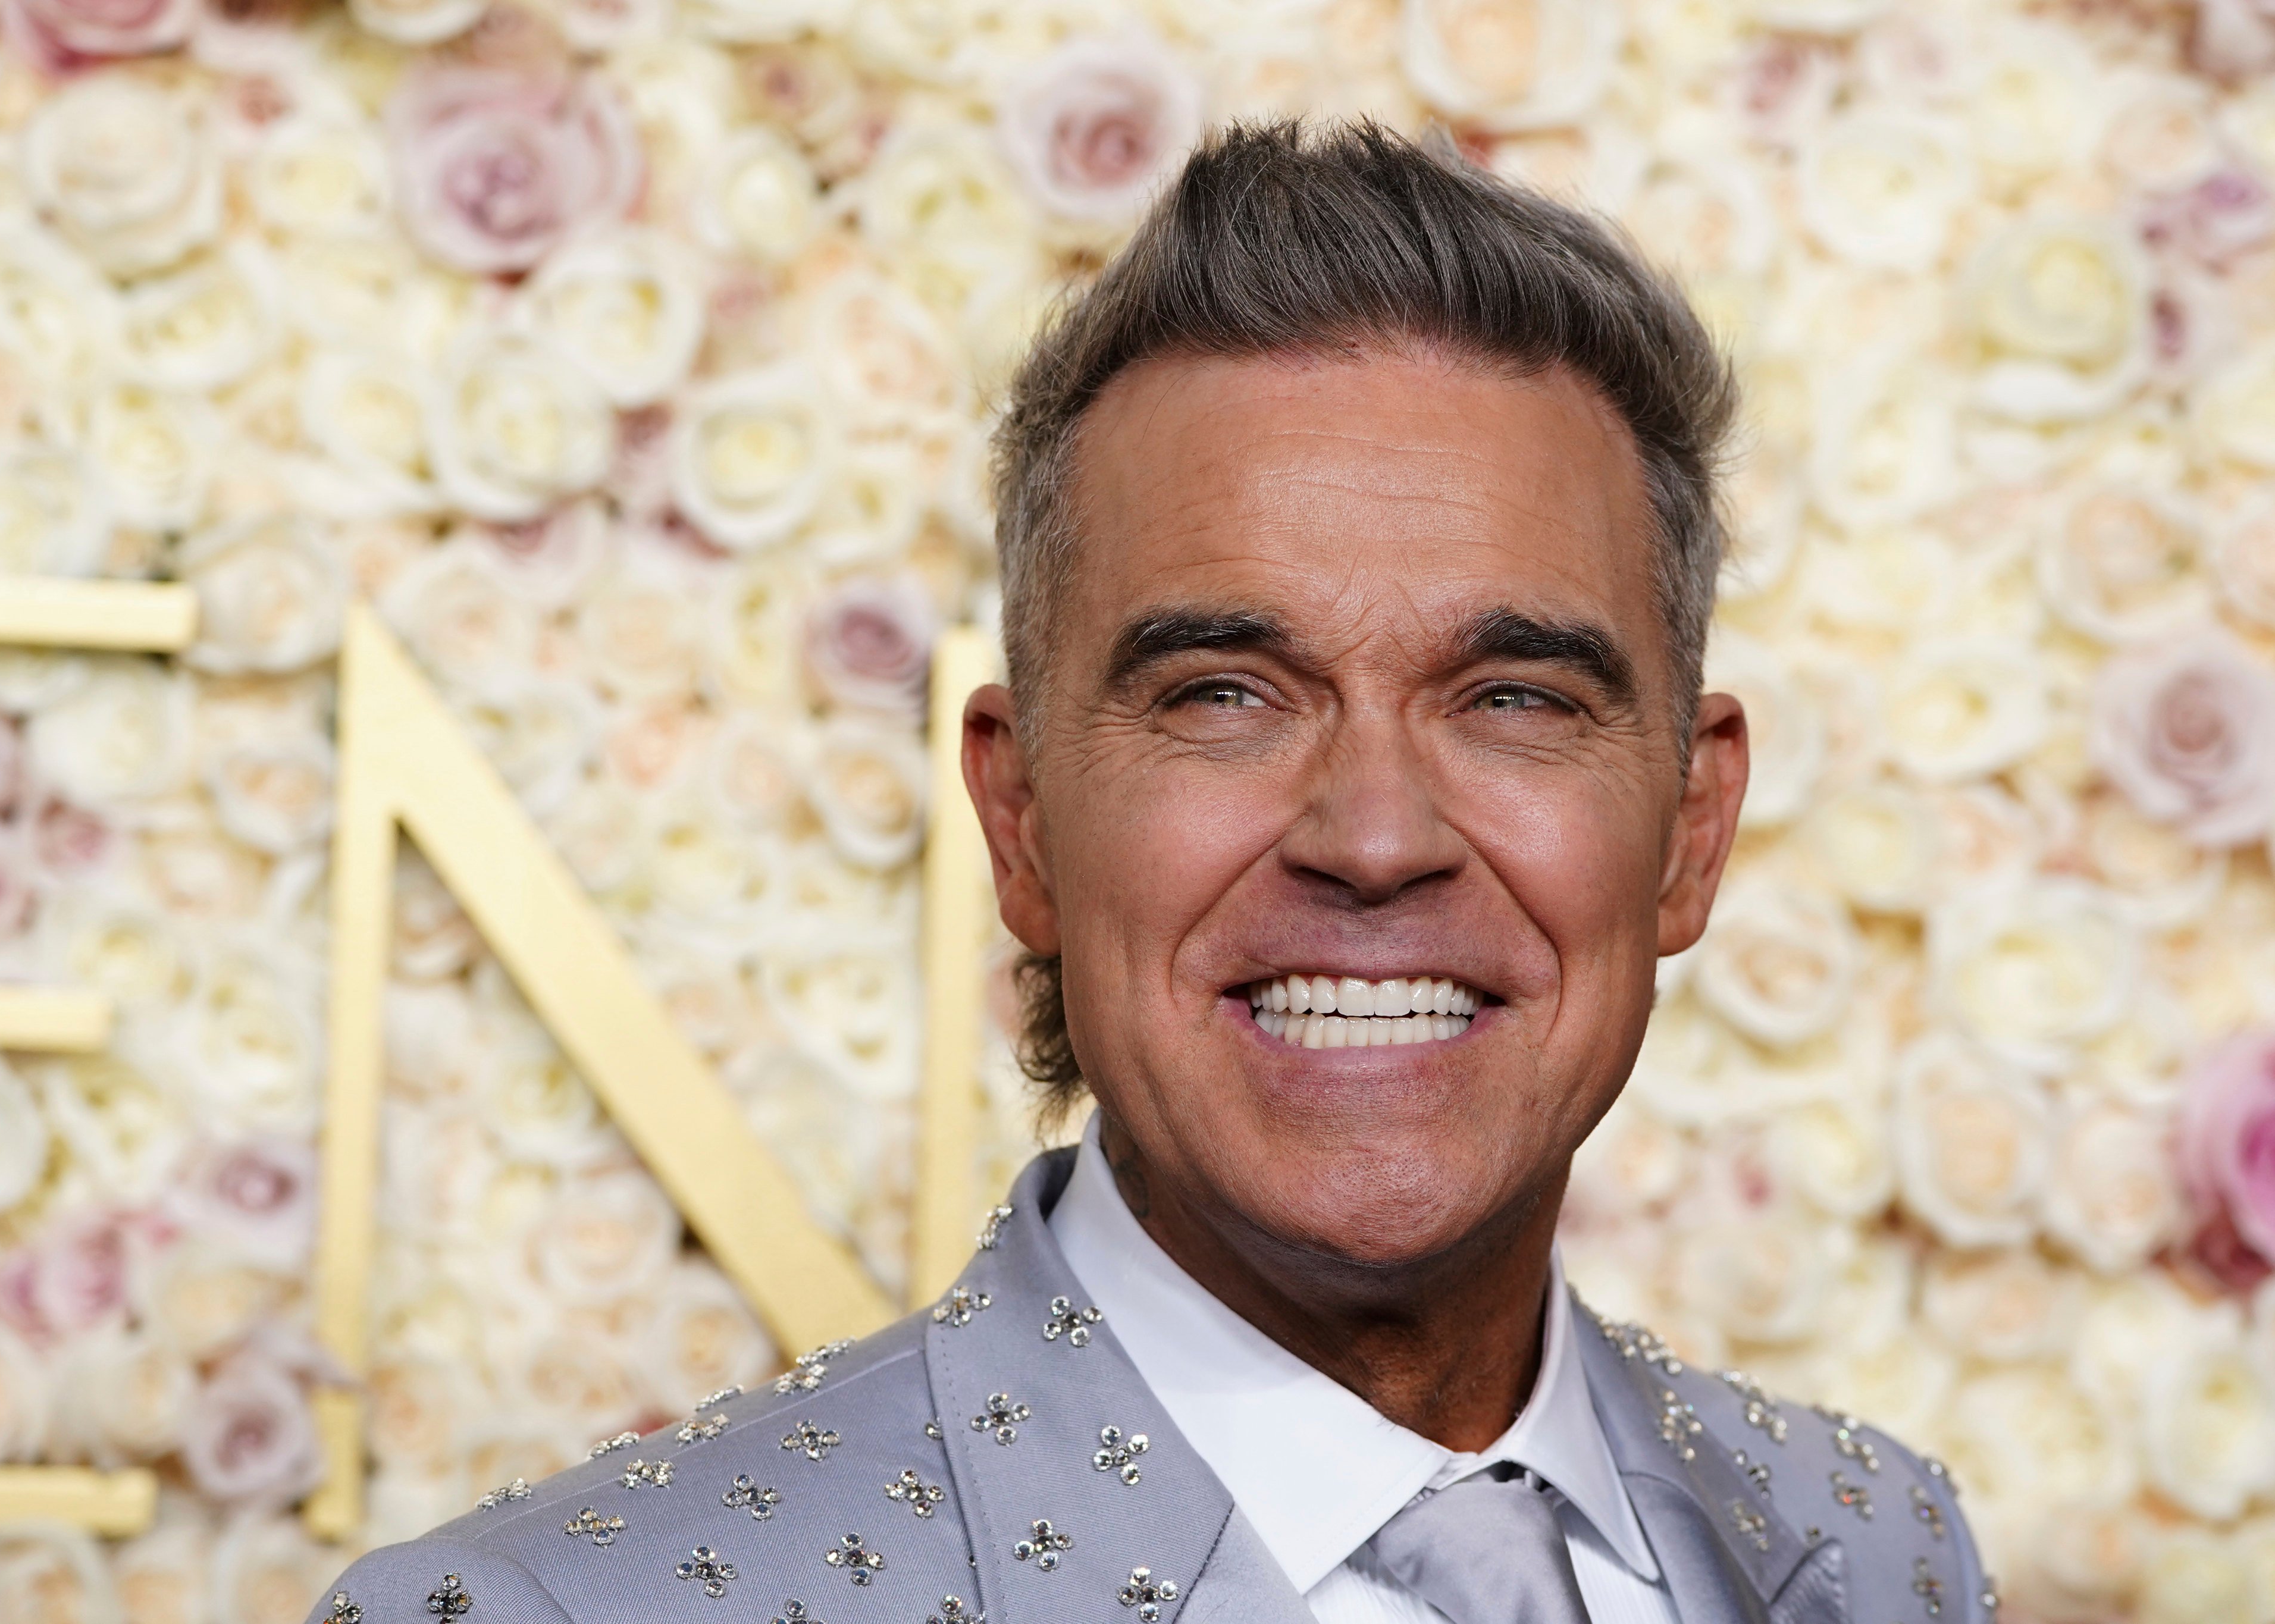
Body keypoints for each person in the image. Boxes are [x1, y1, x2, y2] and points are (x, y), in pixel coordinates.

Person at [306, 120, 1988, 1624]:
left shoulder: (1877, 1551)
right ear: (1023, 821)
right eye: (1224, 696)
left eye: (1515, 699)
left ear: (1690, 830)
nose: (1377, 835)